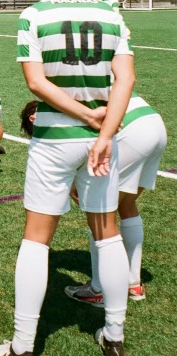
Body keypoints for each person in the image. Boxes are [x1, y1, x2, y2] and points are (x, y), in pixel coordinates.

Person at [0, 0, 134, 356]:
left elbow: (36, 83)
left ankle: (23, 345)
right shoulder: (111, 14)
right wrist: (102, 131)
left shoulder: (34, 14)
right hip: (101, 140)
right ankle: (115, 335)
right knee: (107, 234)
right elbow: (126, 79)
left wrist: (85, 117)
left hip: (54, 138)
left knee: (36, 239)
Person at [65, 91, 167, 307]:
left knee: (100, 212)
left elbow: (82, 136)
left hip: (130, 130)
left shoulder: (63, 89)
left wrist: (74, 179)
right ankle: (133, 283)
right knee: (127, 204)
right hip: (154, 124)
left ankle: (98, 289)